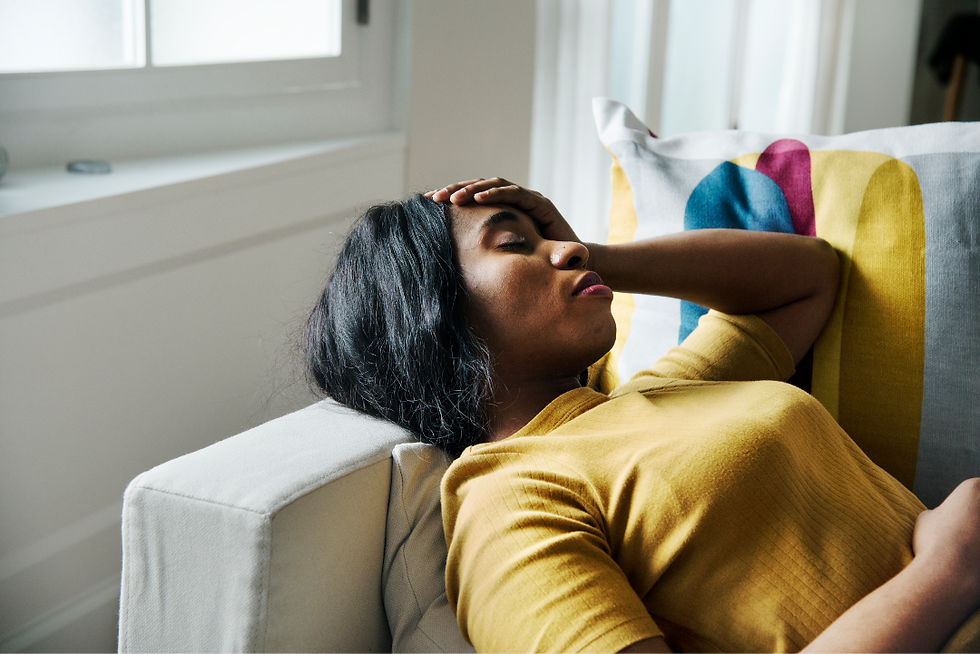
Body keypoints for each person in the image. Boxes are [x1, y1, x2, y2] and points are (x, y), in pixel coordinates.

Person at [305, 177, 980, 654]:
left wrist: (599, 259)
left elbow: (808, 278)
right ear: (432, 317)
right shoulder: (507, 505)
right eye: (512, 245)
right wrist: (947, 573)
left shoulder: (664, 392)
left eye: (550, 239)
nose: (562, 249)